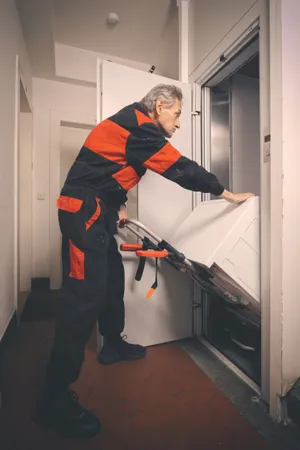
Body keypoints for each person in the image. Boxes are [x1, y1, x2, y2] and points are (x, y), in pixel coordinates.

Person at [33, 84, 254, 439]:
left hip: (98, 208)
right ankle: (53, 398)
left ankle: (112, 344)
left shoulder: (131, 124)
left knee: (111, 281)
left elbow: (109, 167)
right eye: (177, 114)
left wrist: (117, 205)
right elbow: (179, 168)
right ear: (161, 106)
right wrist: (225, 193)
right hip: (84, 211)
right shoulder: (141, 128)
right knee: (83, 298)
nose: (178, 123)